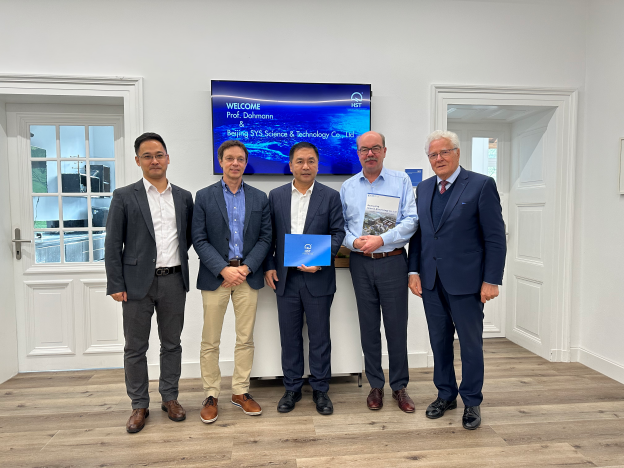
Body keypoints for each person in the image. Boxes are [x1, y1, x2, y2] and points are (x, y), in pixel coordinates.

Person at [408, 130, 506, 430]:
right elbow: (419, 235)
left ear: (457, 153)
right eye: (433, 154)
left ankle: (472, 401)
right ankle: (445, 395)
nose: (439, 158)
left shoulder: (481, 185)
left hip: (468, 283)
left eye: (444, 152)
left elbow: (495, 237)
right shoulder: (424, 188)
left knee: (470, 345)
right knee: (439, 342)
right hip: (431, 282)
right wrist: (413, 271)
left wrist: (491, 279)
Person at [105, 132, 194, 433]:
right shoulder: (124, 196)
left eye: (159, 155)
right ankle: (139, 404)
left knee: (172, 344)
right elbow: (112, 243)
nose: (154, 160)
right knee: (135, 347)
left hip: (174, 281)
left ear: (167, 158)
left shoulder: (183, 197)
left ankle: (170, 397)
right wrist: (116, 283)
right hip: (134, 285)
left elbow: (188, 238)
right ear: (138, 161)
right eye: (147, 156)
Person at [192, 140, 271, 424]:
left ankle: (240, 391)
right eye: (229, 158)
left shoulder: (260, 198)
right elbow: (198, 239)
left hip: (248, 277)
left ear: (246, 163)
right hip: (216, 278)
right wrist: (223, 269)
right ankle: (211, 394)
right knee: (210, 340)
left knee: (245, 338)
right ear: (221, 162)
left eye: (240, 159)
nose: (235, 163)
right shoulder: (204, 196)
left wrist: (246, 268)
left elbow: (266, 238)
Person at [263, 142, 345, 415]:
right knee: (289, 337)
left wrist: (321, 259)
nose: (305, 166)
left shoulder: (330, 196)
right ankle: (292, 388)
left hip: (318, 278)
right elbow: (268, 236)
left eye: (311, 161)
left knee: (320, 337)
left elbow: (338, 232)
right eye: (300, 161)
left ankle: (321, 389)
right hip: (286, 278)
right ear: (291, 165)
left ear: (318, 165)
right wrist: (269, 266)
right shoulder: (275, 196)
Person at [340, 131, 418, 413]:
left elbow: (412, 220)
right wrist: (354, 242)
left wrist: (381, 239)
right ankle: (375, 385)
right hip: (360, 263)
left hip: (392, 261)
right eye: (364, 149)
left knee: (396, 327)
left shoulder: (401, 181)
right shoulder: (348, 186)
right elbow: (342, 226)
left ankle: (399, 386)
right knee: (369, 327)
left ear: (384, 151)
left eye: (375, 148)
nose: (370, 153)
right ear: (358, 153)